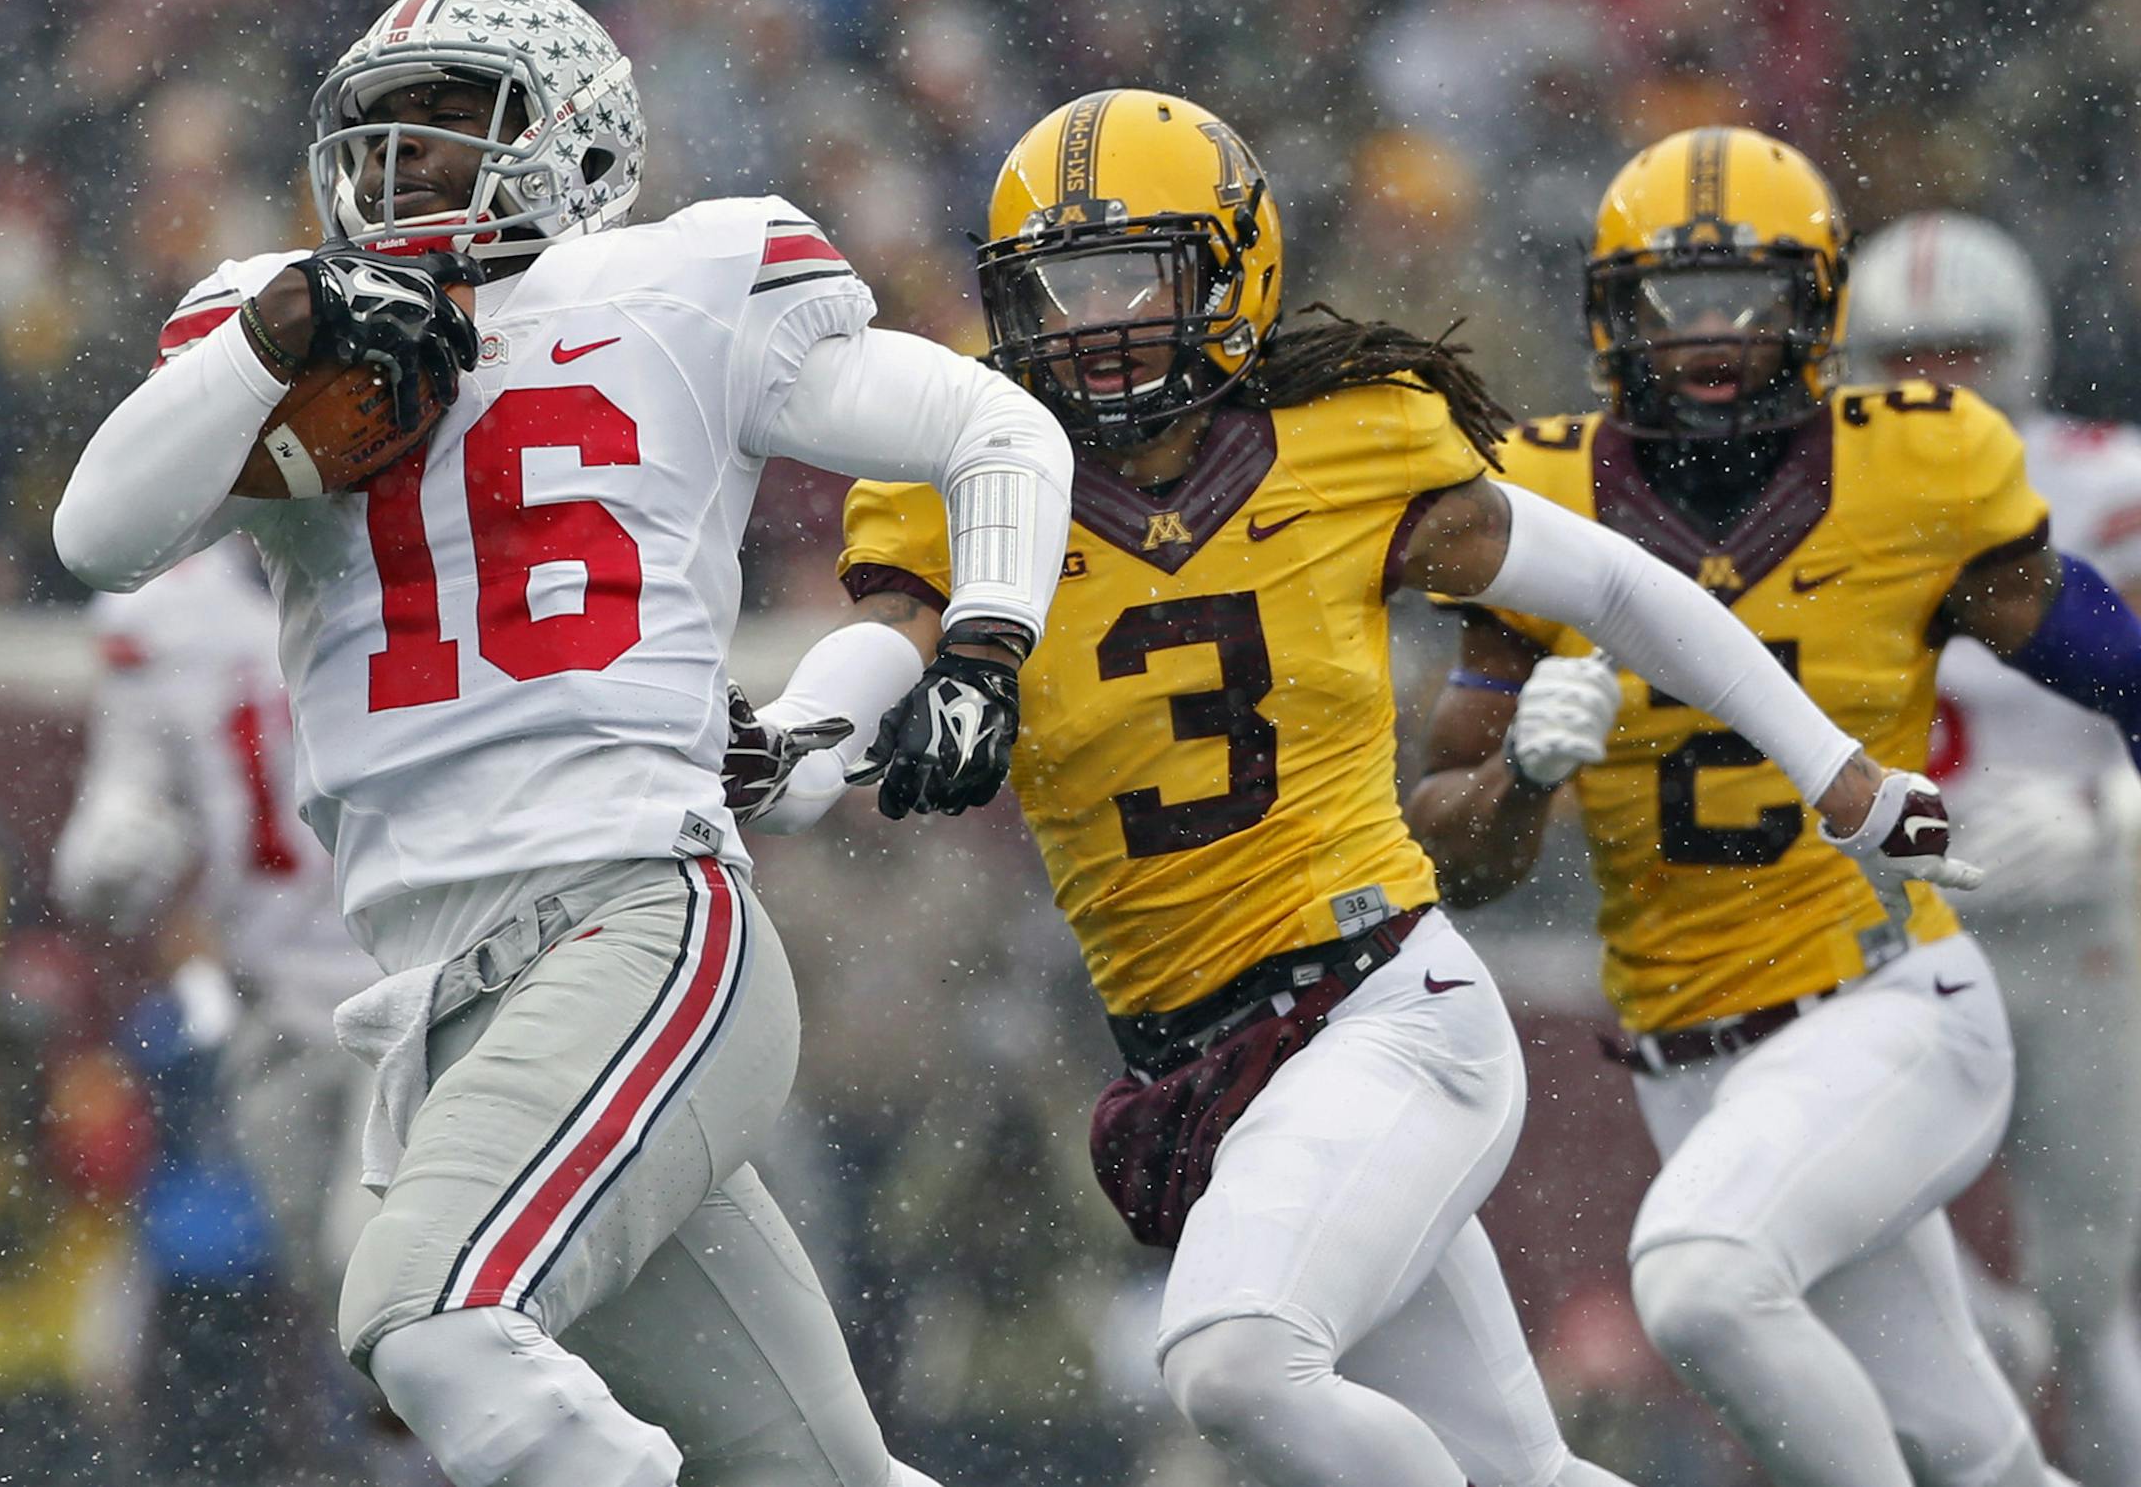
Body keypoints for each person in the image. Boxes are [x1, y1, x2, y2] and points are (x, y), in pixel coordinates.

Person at [762, 88, 1968, 1487]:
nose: (1091, 322)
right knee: (1514, 1460)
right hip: (1195, 1060)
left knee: (1232, 1361)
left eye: (1129, 278)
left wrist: (1836, 768)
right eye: (1060, 287)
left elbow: (1618, 584)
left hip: (1380, 1005)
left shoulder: (1350, 443)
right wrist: (795, 735)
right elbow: (878, 650)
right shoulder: (969, 474)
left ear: (1231, 273)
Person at [53, 0, 1073, 1487]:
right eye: (378, 132)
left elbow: (993, 425)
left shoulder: (683, 287)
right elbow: (99, 530)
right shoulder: (285, 326)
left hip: (632, 916)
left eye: (451, 123)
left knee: (427, 1316)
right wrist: (279, 330)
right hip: (436, 989)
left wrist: (986, 645)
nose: (402, 165)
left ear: (576, 136)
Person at [1409, 127, 2141, 1487]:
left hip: (1887, 997)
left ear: (1818, 316)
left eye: (1747, 303)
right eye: (1671, 308)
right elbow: (1461, 856)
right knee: (1963, 1435)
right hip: (1687, 1054)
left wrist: (2117, 819)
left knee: (1698, 1282)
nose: (1708, 346)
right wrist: (1526, 773)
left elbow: (2125, 671)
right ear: (1606, 322)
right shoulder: (1540, 499)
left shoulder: (1914, 467)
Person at [1852, 209, 2141, 1487]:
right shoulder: (1808, 507)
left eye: (1963, 351)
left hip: (2093, 922)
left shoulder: (2108, 483)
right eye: (1909, 353)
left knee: (2095, 1286)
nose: (1936, 383)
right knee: (1859, 1234)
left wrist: (2109, 819)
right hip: (1897, 928)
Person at [51, 538, 390, 1479]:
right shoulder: (161, 615)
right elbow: (129, 793)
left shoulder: (425, 558)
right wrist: (119, 843)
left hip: (417, 986)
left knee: (383, 1273)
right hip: (270, 1006)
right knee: (333, 1294)